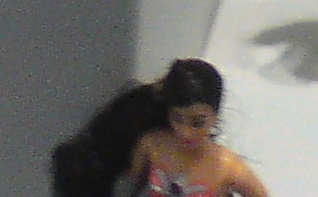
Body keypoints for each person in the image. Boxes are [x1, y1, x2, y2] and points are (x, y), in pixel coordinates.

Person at [51, 58, 268, 197]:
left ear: (215, 116)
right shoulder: (153, 144)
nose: (185, 131)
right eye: (177, 119)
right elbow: (133, 185)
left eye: (198, 122)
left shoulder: (228, 168)